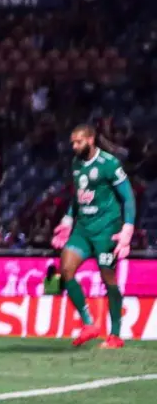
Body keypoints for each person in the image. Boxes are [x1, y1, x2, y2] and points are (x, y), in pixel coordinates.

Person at [50, 124, 136, 349]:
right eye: (72, 142)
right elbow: (78, 197)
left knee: (109, 279)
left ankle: (115, 335)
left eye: (78, 142)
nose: (74, 146)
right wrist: (68, 220)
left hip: (107, 230)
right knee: (66, 270)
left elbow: (128, 197)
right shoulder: (76, 164)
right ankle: (89, 324)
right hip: (83, 230)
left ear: (90, 139)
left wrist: (127, 229)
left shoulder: (109, 164)